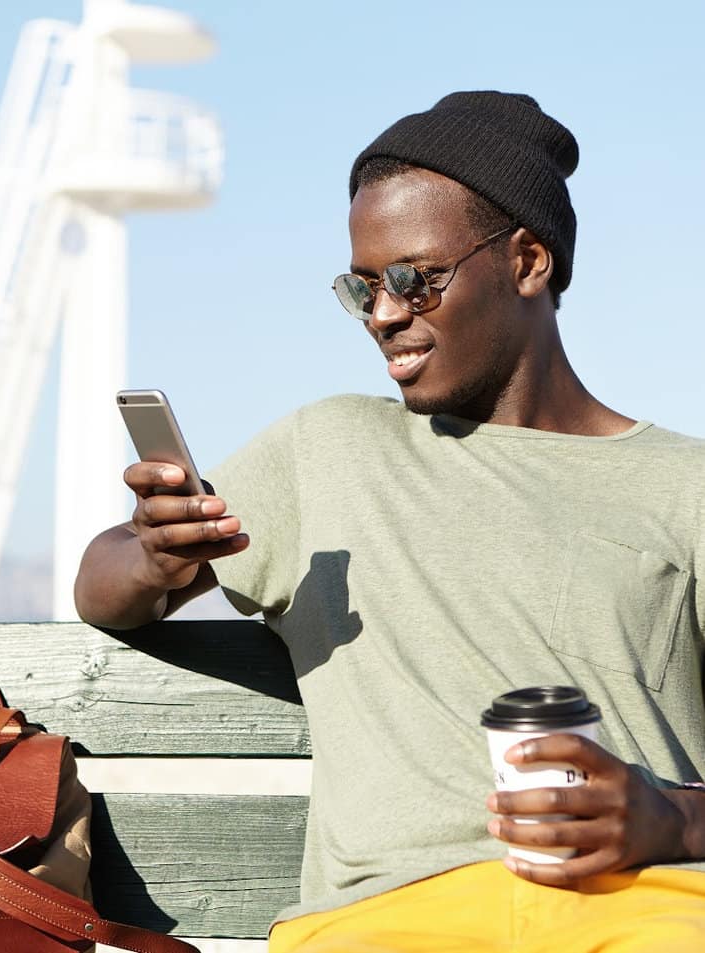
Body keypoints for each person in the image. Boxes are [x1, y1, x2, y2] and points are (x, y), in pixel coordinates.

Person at [75, 91, 705, 952]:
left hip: (647, 910)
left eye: (415, 278)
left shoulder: (684, 483)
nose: (382, 314)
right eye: (362, 286)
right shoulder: (331, 446)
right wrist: (154, 553)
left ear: (527, 261)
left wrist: (674, 817)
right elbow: (103, 585)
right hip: (388, 920)